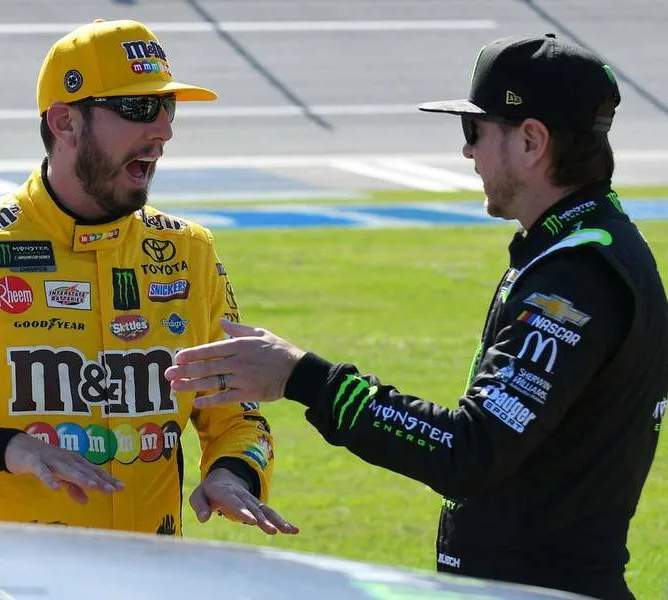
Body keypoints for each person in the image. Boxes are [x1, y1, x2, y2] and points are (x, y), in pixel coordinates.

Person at [164, 33, 667, 598]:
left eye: (473, 130)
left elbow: (470, 451)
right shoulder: (587, 247)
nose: (467, 152)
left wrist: (302, 377)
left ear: (531, 141)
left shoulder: (577, 274)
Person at [0, 18, 297, 537]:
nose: (162, 130)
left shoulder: (190, 253)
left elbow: (237, 416)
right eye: (138, 109)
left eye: (168, 108)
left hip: (156, 577)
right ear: (64, 121)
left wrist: (235, 472)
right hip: (14, 580)